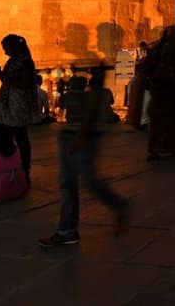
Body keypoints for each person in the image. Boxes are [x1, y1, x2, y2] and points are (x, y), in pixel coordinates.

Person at [39, 56, 130, 248]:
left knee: (76, 182)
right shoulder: (90, 89)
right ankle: (68, 229)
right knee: (78, 181)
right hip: (76, 134)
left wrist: (80, 136)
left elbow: (90, 111)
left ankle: (69, 230)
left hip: (78, 135)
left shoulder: (93, 90)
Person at [0, 34, 38, 183]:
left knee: (21, 137)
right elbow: (6, 80)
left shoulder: (25, 62)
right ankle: (8, 169)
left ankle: (24, 169)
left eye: (6, 48)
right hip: (7, 103)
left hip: (18, 104)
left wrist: (5, 77)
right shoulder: (12, 61)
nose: (5, 52)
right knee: (6, 137)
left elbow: (25, 83)